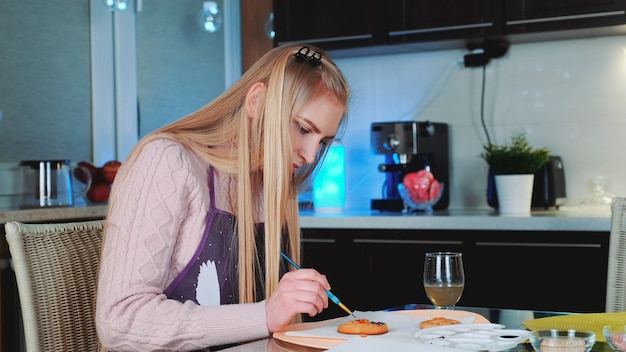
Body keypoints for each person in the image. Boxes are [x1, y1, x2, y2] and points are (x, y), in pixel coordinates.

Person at [95, 43, 351, 351]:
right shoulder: (167, 161)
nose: (310, 156)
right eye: (303, 129)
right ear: (256, 102)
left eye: (322, 142)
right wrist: (265, 314)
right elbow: (120, 321)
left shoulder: (269, 185)